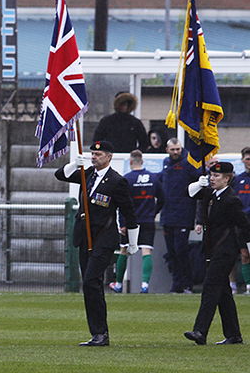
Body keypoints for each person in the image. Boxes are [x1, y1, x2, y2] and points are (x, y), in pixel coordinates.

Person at [55, 141, 139, 346]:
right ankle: (98, 333)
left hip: (104, 238)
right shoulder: (87, 174)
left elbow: (128, 212)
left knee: (91, 281)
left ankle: (101, 333)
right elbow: (60, 175)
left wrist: (132, 242)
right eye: (93, 154)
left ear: (109, 157)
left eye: (98, 154)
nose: (94, 157)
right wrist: (74, 164)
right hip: (85, 237)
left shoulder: (116, 181)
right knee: (91, 285)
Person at [184, 162, 250, 345]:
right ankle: (234, 335)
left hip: (226, 250)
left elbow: (244, 225)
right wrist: (200, 183)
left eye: (217, 176)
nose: (212, 178)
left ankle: (200, 331)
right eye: (211, 175)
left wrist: (248, 248)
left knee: (210, 287)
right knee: (223, 293)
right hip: (211, 249)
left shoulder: (231, 199)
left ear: (227, 178)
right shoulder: (210, 194)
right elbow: (189, 193)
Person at [109, 150, 164, 293]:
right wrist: (154, 212)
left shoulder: (127, 179)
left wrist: (122, 223)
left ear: (131, 162)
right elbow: (163, 199)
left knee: (124, 250)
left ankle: (119, 284)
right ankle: (145, 285)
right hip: (147, 220)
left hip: (130, 222)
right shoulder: (153, 178)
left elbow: (122, 203)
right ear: (142, 162)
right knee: (146, 251)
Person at [159, 138, 200, 293]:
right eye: (172, 149)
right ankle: (176, 284)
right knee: (171, 252)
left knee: (181, 250)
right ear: (167, 150)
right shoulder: (165, 163)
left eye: (178, 149)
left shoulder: (189, 162)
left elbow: (199, 180)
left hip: (183, 214)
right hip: (167, 215)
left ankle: (187, 283)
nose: (176, 152)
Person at [232, 147, 250, 294]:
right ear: (242, 160)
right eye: (247, 158)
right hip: (242, 222)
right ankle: (247, 286)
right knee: (244, 253)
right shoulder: (238, 179)